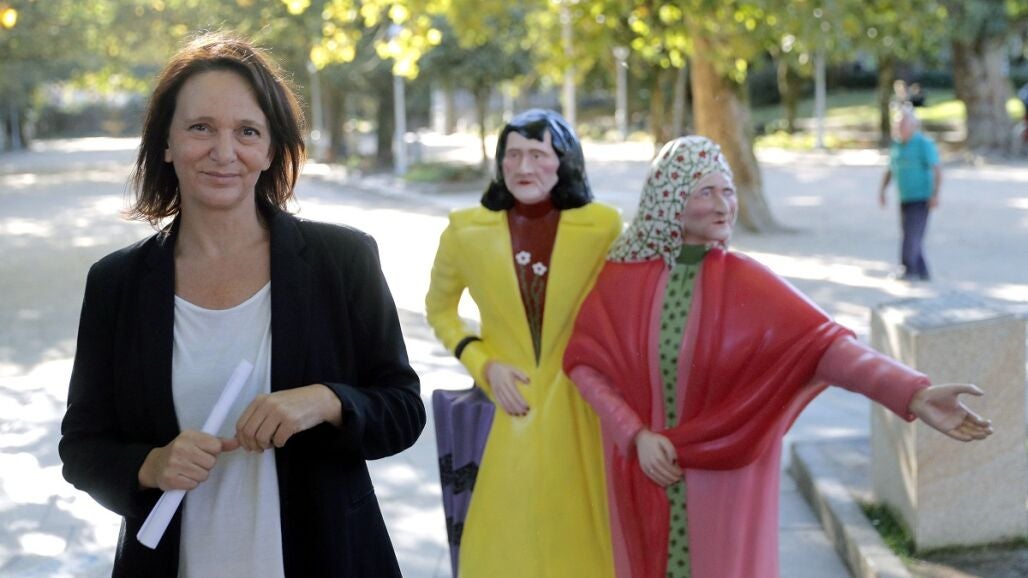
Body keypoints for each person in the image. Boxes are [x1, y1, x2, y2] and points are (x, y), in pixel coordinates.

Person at [59, 32, 425, 577]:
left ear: (271, 149)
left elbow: (403, 410)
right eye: (201, 128)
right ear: (166, 142)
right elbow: (83, 447)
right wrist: (151, 465)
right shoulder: (117, 284)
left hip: (327, 559)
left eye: (247, 131)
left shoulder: (342, 260)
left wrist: (326, 401)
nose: (224, 152)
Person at [564, 136, 992, 578]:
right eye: (705, 192)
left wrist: (912, 393)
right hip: (642, 473)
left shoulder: (748, 282)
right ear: (669, 199)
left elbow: (828, 348)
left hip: (724, 480)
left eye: (728, 191)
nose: (723, 206)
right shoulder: (623, 278)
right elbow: (585, 363)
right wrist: (634, 434)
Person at [425, 109, 621, 577]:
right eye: (512, 155)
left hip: (581, 410)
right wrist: (483, 363)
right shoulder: (465, 231)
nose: (523, 167)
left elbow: (627, 310)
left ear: (564, 161)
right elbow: (440, 309)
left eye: (537, 154)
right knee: (501, 541)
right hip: (507, 408)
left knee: (585, 542)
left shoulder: (604, 228)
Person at [879, 109, 941, 281]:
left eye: (903, 124)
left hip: (921, 198)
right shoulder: (897, 145)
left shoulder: (923, 144)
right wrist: (882, 190)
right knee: (910, 234)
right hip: (904, 197)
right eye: (898, 125)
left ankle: (909, 270)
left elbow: (937, 170)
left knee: (911, 235)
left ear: (914, 126)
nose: (900, 128)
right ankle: (922, 271)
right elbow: (890, 170)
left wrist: (935, 195)